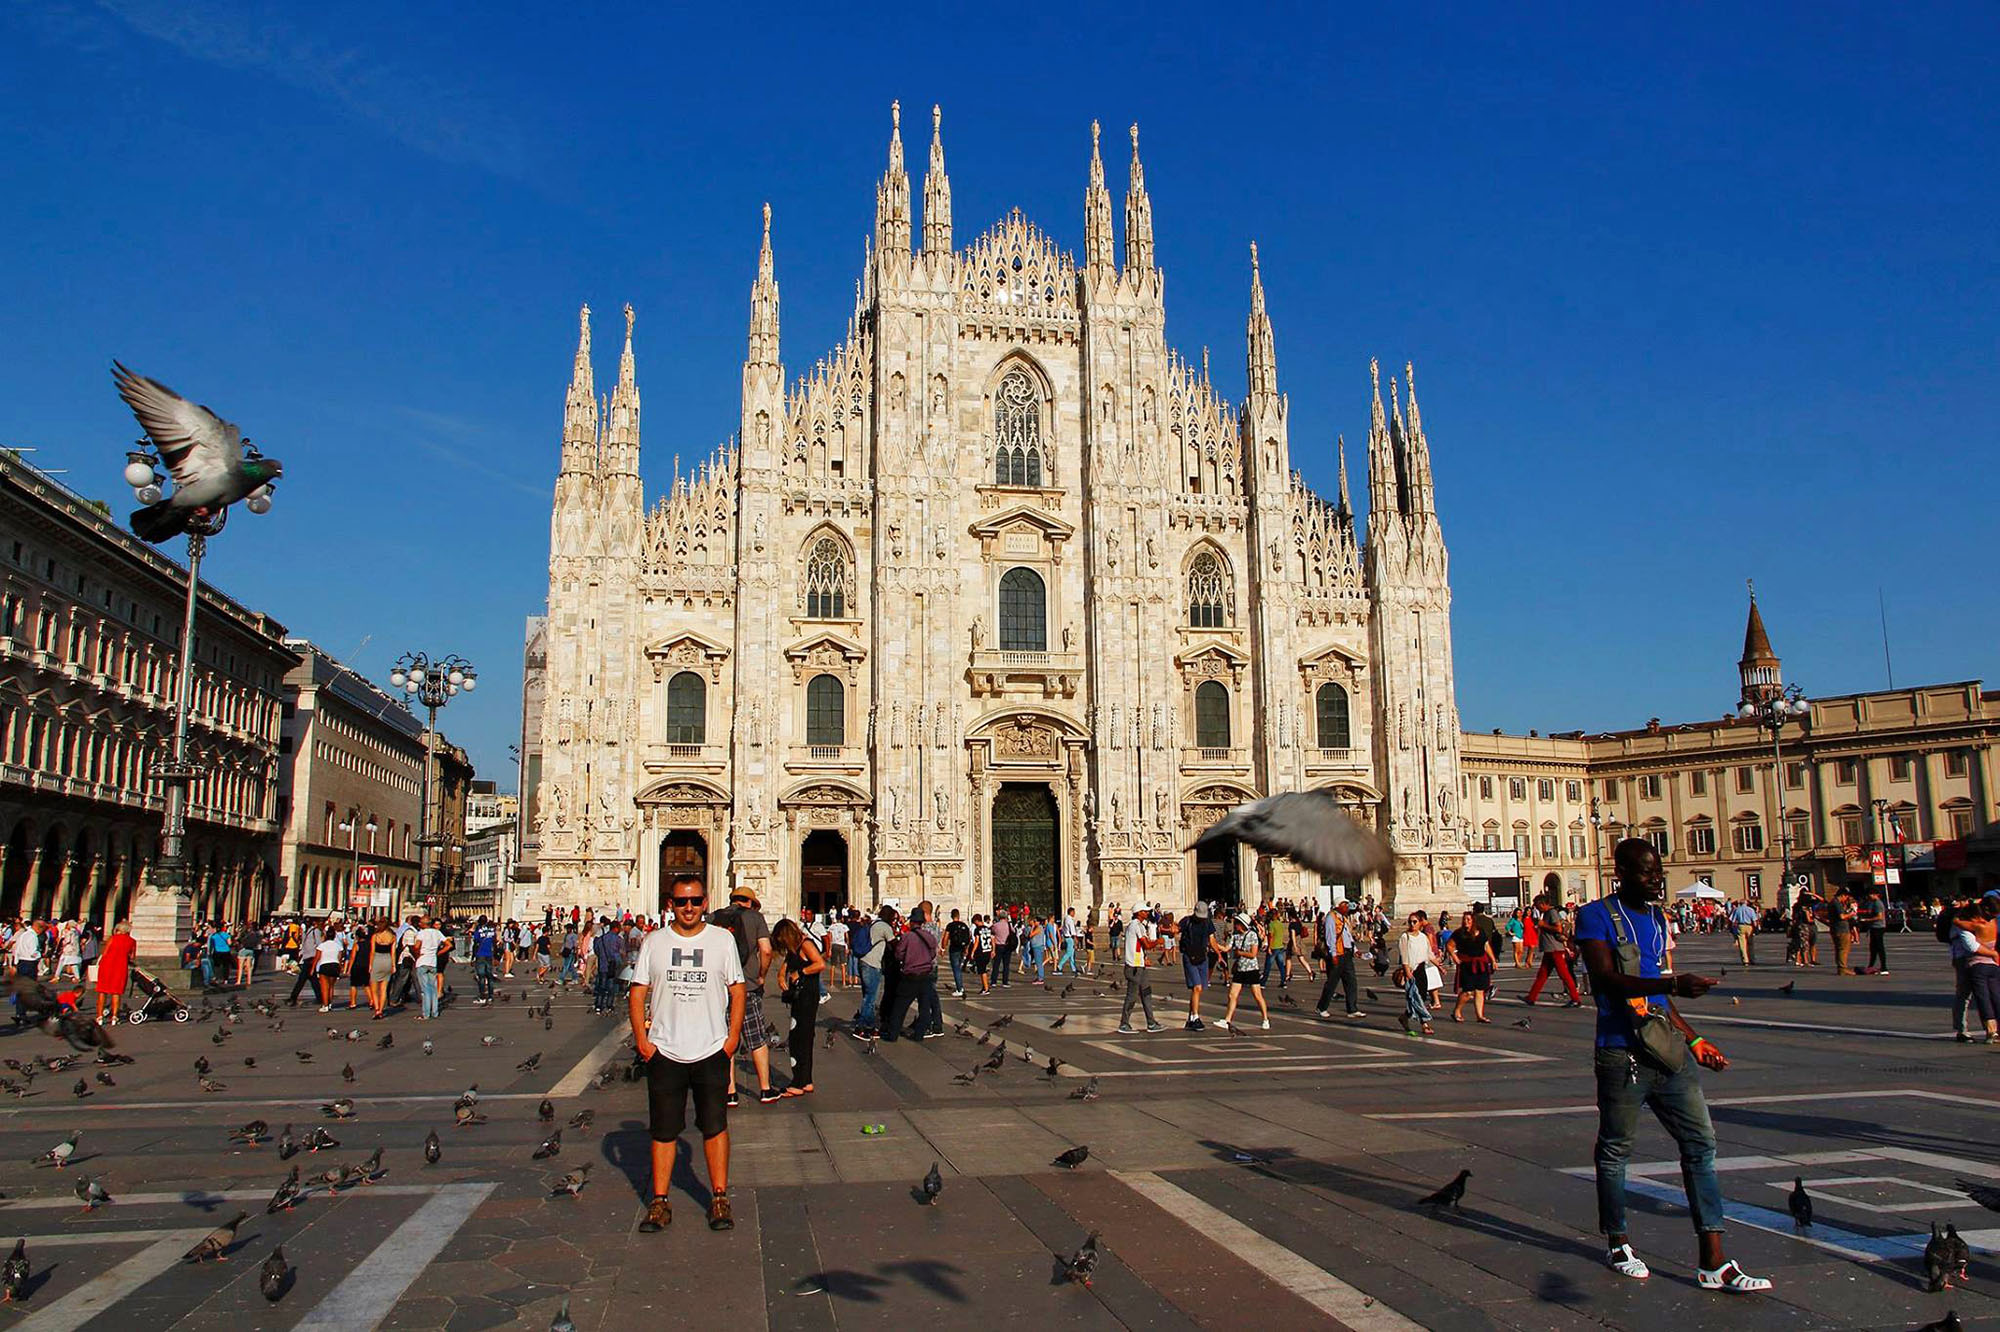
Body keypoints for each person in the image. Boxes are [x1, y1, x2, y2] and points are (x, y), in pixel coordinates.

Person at [1577, 838, 1769, 1293]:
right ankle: (1618, 1242)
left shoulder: (1657, 919)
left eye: (1658, 872)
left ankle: (1714, 1261)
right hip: (1621, 1052)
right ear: (1621, 872)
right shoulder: (1595, 915)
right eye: (1646, 872)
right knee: (1616, 1150)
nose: (1656, 879)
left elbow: (1659, 994)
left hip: (1667, 1050)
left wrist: (1694, 1038)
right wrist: (1672, 984)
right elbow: (1605, 979)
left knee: (1701, 1144)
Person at [630, 873, 745, 1234]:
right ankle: (659, 1200)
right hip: (665, 1050)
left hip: (711, 1048)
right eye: (682, 901)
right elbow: (637, 990)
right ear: (671, 904)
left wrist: (732, 1039)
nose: (689, 907)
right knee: (663, 1130)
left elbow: (738, 988)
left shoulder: (722, 940)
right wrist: (643, 1041)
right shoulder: (654, 941)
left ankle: (719, 1197)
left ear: (705, 902)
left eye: (695, 900)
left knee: (715, 1126)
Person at [710, 889, 777, 1104]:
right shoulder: (755, 918)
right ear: (751, 902)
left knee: (726, 1038)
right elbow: (766, 950)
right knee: (756, 1038)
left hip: (720, 987)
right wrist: (761, 976)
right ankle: (765, 1089)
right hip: (747, 986)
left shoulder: (714, 917)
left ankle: (730, 1092)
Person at [772, 918, 824, 1096]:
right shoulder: (795, 947)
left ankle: (798, 1082)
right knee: (804, 1036)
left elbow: (820, 964)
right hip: (802, 997)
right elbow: (788, 961)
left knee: (798, 1038)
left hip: (807, 997)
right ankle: (806, 1080)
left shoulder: (806, 944)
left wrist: (800, 972)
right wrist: (781, 975)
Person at [883, 903, 940, 1042]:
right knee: (924, 1007)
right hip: (926, 975)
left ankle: (893, 1034)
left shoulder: (907, 937)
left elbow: (898, 954)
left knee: (900, 1006)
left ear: (913, 922)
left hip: (910, 975)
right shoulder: (929, 936)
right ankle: (919, 1034)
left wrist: (908, 958)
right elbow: (933, 953)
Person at [1523, 894, 1584, 1007]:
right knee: (1542, 974)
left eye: (1537, 905)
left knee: (1564, 974)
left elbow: (1558, 928)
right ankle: (1531, 997)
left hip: (1555, 949)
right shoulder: (1547, 913)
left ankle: (1576, 999)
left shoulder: (1552, 913)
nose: (1536, 908)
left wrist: (1543, 925)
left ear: (1542, 904)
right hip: (1549, 949)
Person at [1217, 911, 1271, 1031]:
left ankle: (1265, 1019)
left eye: (1236, 923)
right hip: (1240, 969)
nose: (1234, 925)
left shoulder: (1252, 935)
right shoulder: (1235, 936)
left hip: (1251, 969)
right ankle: (1227, 1020)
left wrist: (1240, 953)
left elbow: (1253, 954)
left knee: (1257, 995)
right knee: (1232, 995)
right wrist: (1214, 944)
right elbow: (1226, 948)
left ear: (1242, 924)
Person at [1117, 906, 1163, 1033]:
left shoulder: (1136, 925)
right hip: (1134, 967)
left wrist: (1144, 958)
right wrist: (1158, 941)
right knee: (1132, 996)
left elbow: (1138, 946)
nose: (1147, 913)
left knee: (1146, 993)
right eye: (1145, 911)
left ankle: (1151, 1022)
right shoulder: (1136, 925)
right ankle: (1124, 1024)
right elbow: (1146, 944)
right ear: (1138, 913)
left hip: (1139, 965)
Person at [1316, 901, 1363, 1019]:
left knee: (1351, 981)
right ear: (1338, 906)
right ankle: (1321, 1007)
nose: (1347, 907)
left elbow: (1348, 936)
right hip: (1337, 953)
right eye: (1344, 905)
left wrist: (1355, 949)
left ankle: (1352, 1009)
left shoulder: (1343, 918)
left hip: (1347, 953)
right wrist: (1333, 954)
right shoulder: (1330, 918)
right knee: (1332, 982)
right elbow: (1330, 937)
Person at [1449, 911, 1497, 1023]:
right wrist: (1455, 957)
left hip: (1481, 964)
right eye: (1464, 919)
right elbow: (1450, 945)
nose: (1466, 922)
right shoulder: (1459, 933)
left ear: (1473, 921)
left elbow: (1486, 945)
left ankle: (1480, 1015)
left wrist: (1493, 960)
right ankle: (1457, 1011)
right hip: (1467, 964)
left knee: (1480, 990)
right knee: (1468, 991)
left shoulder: (1481, 931)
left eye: (1468, 919)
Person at [1396, 912, 1439, 1036]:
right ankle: (1425, 1024)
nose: (1412, 924)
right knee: (1415, 997)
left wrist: (1439, 966)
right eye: (1410, 921)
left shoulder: (1423, 937)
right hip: (1411, 970)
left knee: (1421, 997)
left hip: (1421, 969)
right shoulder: (1405, 937)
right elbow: (1404, 955)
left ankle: (1404, 1017)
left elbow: (1429, 953)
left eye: (1415, 921)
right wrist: (1407, 971)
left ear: (1420, 923)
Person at [854, 904, 892, 1038]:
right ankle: (861, 1026)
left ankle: (870, 1026)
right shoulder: (885, 927)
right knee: (871, 997)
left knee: (867, 996)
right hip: (873, 964)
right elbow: (894, 944)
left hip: (863, 961)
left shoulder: (873, 924)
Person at [1178, 902, 1216, 1030]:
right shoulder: (1187, 921)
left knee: (1197, 990)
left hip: (1202, 957)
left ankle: (1190, 1019)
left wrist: (1219, 953)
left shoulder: (1208, 922)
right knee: (1197, 987)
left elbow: (1212, 940)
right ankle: (1195, 1017)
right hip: (1189, 956)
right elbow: (1175, 930)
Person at [93, 920, 136, 1026]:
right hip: (120, 967)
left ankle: (99, 1017)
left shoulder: (112, 938)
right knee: (116, 992)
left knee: (102, 991)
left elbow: (105, 952)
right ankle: (114, 1016)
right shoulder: (132, 941)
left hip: (107, 966)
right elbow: (132, 957)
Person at [413, 916, 450, 1020]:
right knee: (433, 988)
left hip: (422, 961)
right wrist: (437, 953)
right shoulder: (437, 933)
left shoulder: (421, 933)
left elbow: (416, 946)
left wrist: (417, 955)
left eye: (420, 922)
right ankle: (435, 1011)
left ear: (423, 924)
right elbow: (448, 945)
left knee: (425, 989)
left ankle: (426, 1013)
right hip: (433, 962)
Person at [592, 916, 626, 1014]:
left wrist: (602, 958)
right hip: (612, 966)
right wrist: (620, 964)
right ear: (616, 928)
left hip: (602, 965)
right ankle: (609, 1005)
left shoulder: (601, 939)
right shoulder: (618, 939)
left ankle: (599, 1005)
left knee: (601, 986)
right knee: (611, 987)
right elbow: (620, 953)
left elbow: (597, 951)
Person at [365, 917, 396, 1017]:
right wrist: (393, 965)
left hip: (377, 960)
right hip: (387, 960)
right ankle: (381, 1010)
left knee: (374, 988)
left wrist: (370, 965)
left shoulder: (375, 936)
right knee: (384, 988)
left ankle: (377, 1008)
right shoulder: (392, 936)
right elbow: (393, 953)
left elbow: (372, 952)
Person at [1857, 888, 1889, 976]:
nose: (1869, 896)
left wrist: (1867, 920)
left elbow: (1879, 916)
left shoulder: (1878, 903)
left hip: (1878, 927)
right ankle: (1871, 965)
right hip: (1873, 927)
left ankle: (1884, 967)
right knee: (1873, 948)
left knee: (1879, 947)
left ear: (1876, 894)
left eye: (1871, 894)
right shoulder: (1872, 903)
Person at [1829, 887, 1858, 975]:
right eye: (1846, 896)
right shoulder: (1837, 903)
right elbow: (1842, 916)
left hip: (1835, 928)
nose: (1846, 899)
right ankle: (1843, 968)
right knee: (1843, 949)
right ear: (1842, 895)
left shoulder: (1832, 902)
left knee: (1839, 949)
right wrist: (1851, 914)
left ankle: (1841, 967)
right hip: (1841, 929)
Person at [944, 909, 972, 998]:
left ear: (951, 916)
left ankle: (959, 989)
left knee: (956, 969)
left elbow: (945, 937)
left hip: (954, 949)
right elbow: (969, 937)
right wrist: (966, 949)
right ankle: (960, 986)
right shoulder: (964, 925)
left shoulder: (950, 925)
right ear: (959, 915)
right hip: (962, 948)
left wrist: (943, 948)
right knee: (958, 968)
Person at [1727, 898, 1758, 966]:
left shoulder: (1737, 910)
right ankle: (1752, 959)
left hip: (1740, 926)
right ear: (1746, 903)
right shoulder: (1750, 910)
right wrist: (1756, 928)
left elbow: (1732, 920)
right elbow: (1754, 920)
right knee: (1750, 944)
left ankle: (1745, 960)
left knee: (1742, 944)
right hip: (1749, 926)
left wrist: (1732, 929)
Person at [970, 914, 994, 996]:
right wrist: (993, 950)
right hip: (987, 950)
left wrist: (973, 951)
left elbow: (976, 941)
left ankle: (986, 989)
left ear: (977, 921)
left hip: (981, 951)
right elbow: (992, 940)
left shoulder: (977, 930)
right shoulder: (988, 929)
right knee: (983, 970)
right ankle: (984, 987)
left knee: (982, 970)